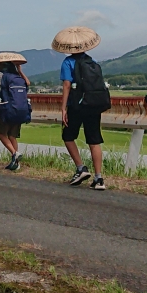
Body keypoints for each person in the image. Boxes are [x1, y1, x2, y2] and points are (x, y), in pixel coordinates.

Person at [55, 28, 109, 190]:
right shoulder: (92, 62)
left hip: (76, 105)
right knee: (94, 140)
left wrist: (63, 108)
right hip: (93, 105)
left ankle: (81, 168)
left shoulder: (68, 62)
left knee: (68, 136)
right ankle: (99, 178)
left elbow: (66, 85)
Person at [0, 53, 31, 170]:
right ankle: (16, 164)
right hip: (20, 109)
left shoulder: (0, 75)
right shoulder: (17, 76)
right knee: (12, 136)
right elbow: (28, 83)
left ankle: (15, 153)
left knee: (2, 134)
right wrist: (20, 70)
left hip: (7, 109)